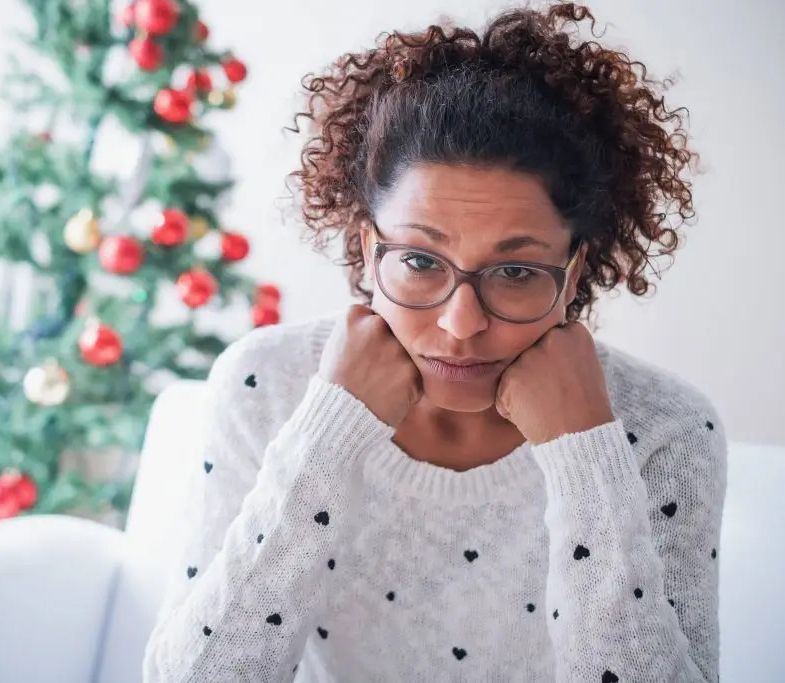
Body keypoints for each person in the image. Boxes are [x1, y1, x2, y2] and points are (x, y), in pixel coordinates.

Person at [143, 2, 726, 681]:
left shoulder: (664, 429)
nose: (460, 323)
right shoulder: (263, 384)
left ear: (574, 272)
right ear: (366, 250)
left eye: (513, 271)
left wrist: (585, 456)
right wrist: (328, 434)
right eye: (420, 261)